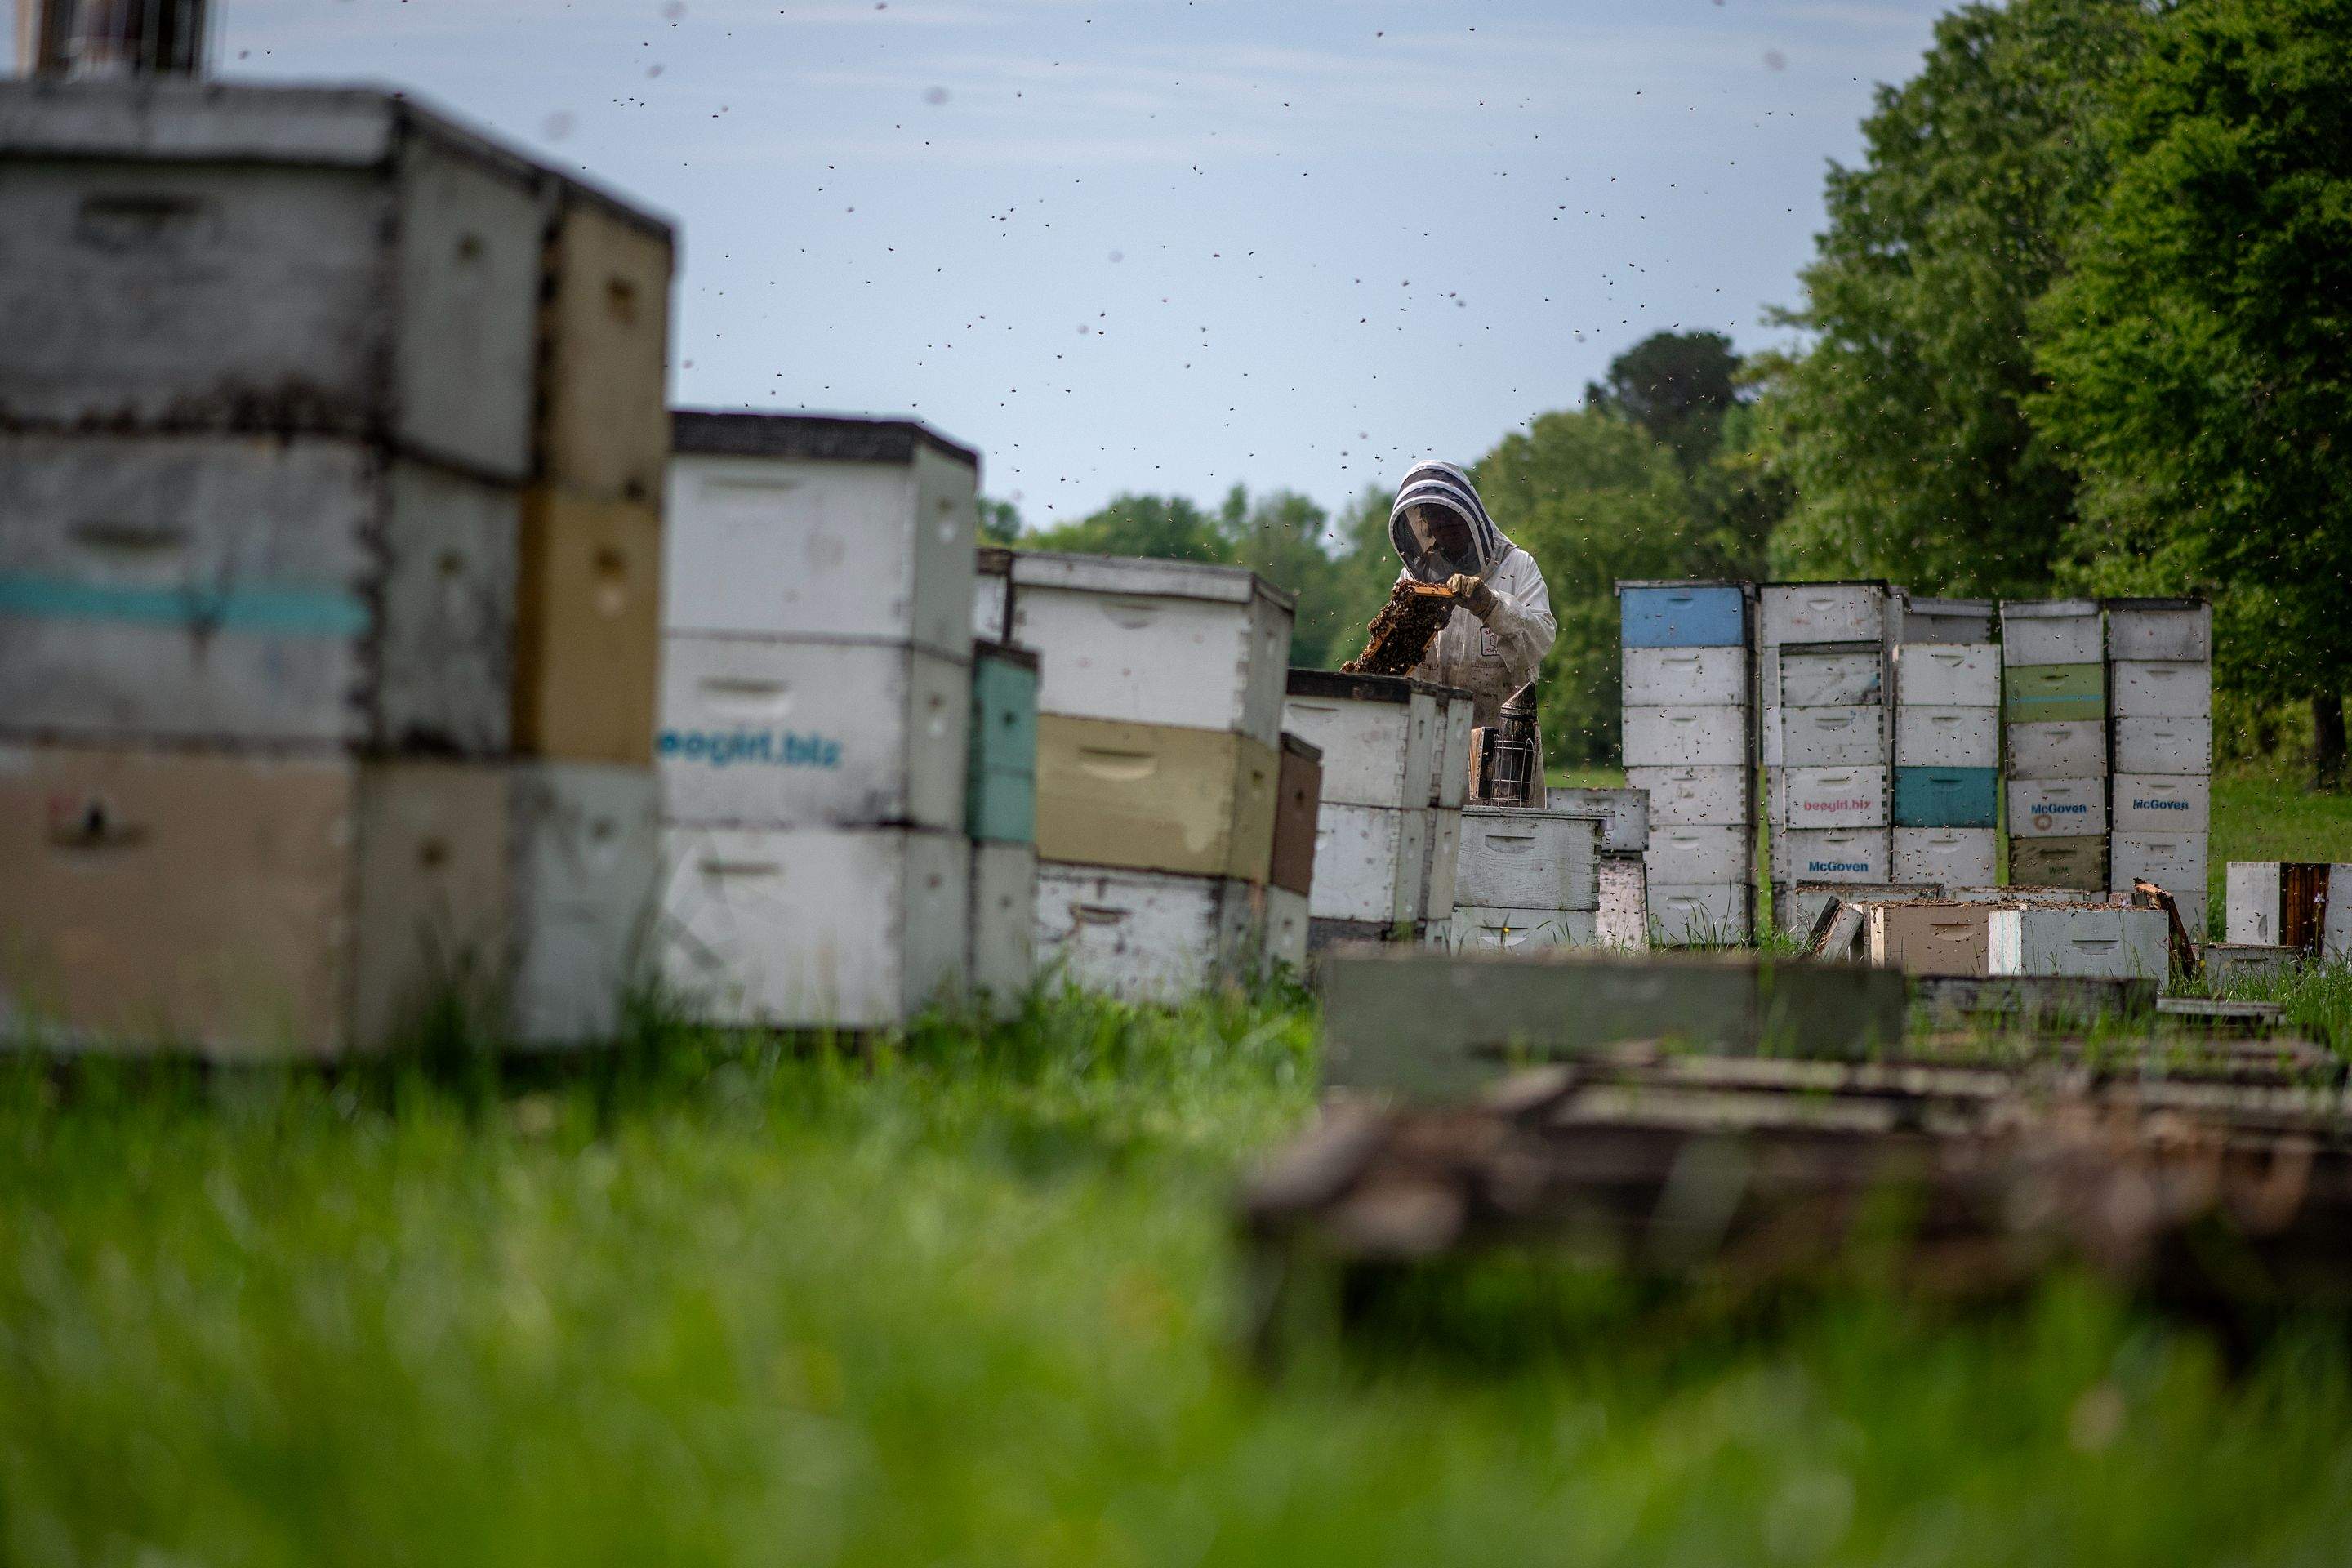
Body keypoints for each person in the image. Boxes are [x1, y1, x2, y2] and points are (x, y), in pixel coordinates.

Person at [1387, 460, 1557, 799]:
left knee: (1503, 844)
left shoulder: (1516, 567)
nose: (1443, 533)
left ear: (1470, 521)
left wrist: (1491, 606)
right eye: (1434, 524)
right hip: (1432, 740)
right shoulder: (1414, 576)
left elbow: (1541, 639)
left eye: (1450, 523)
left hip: (1507, 743)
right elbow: (1397, 663)